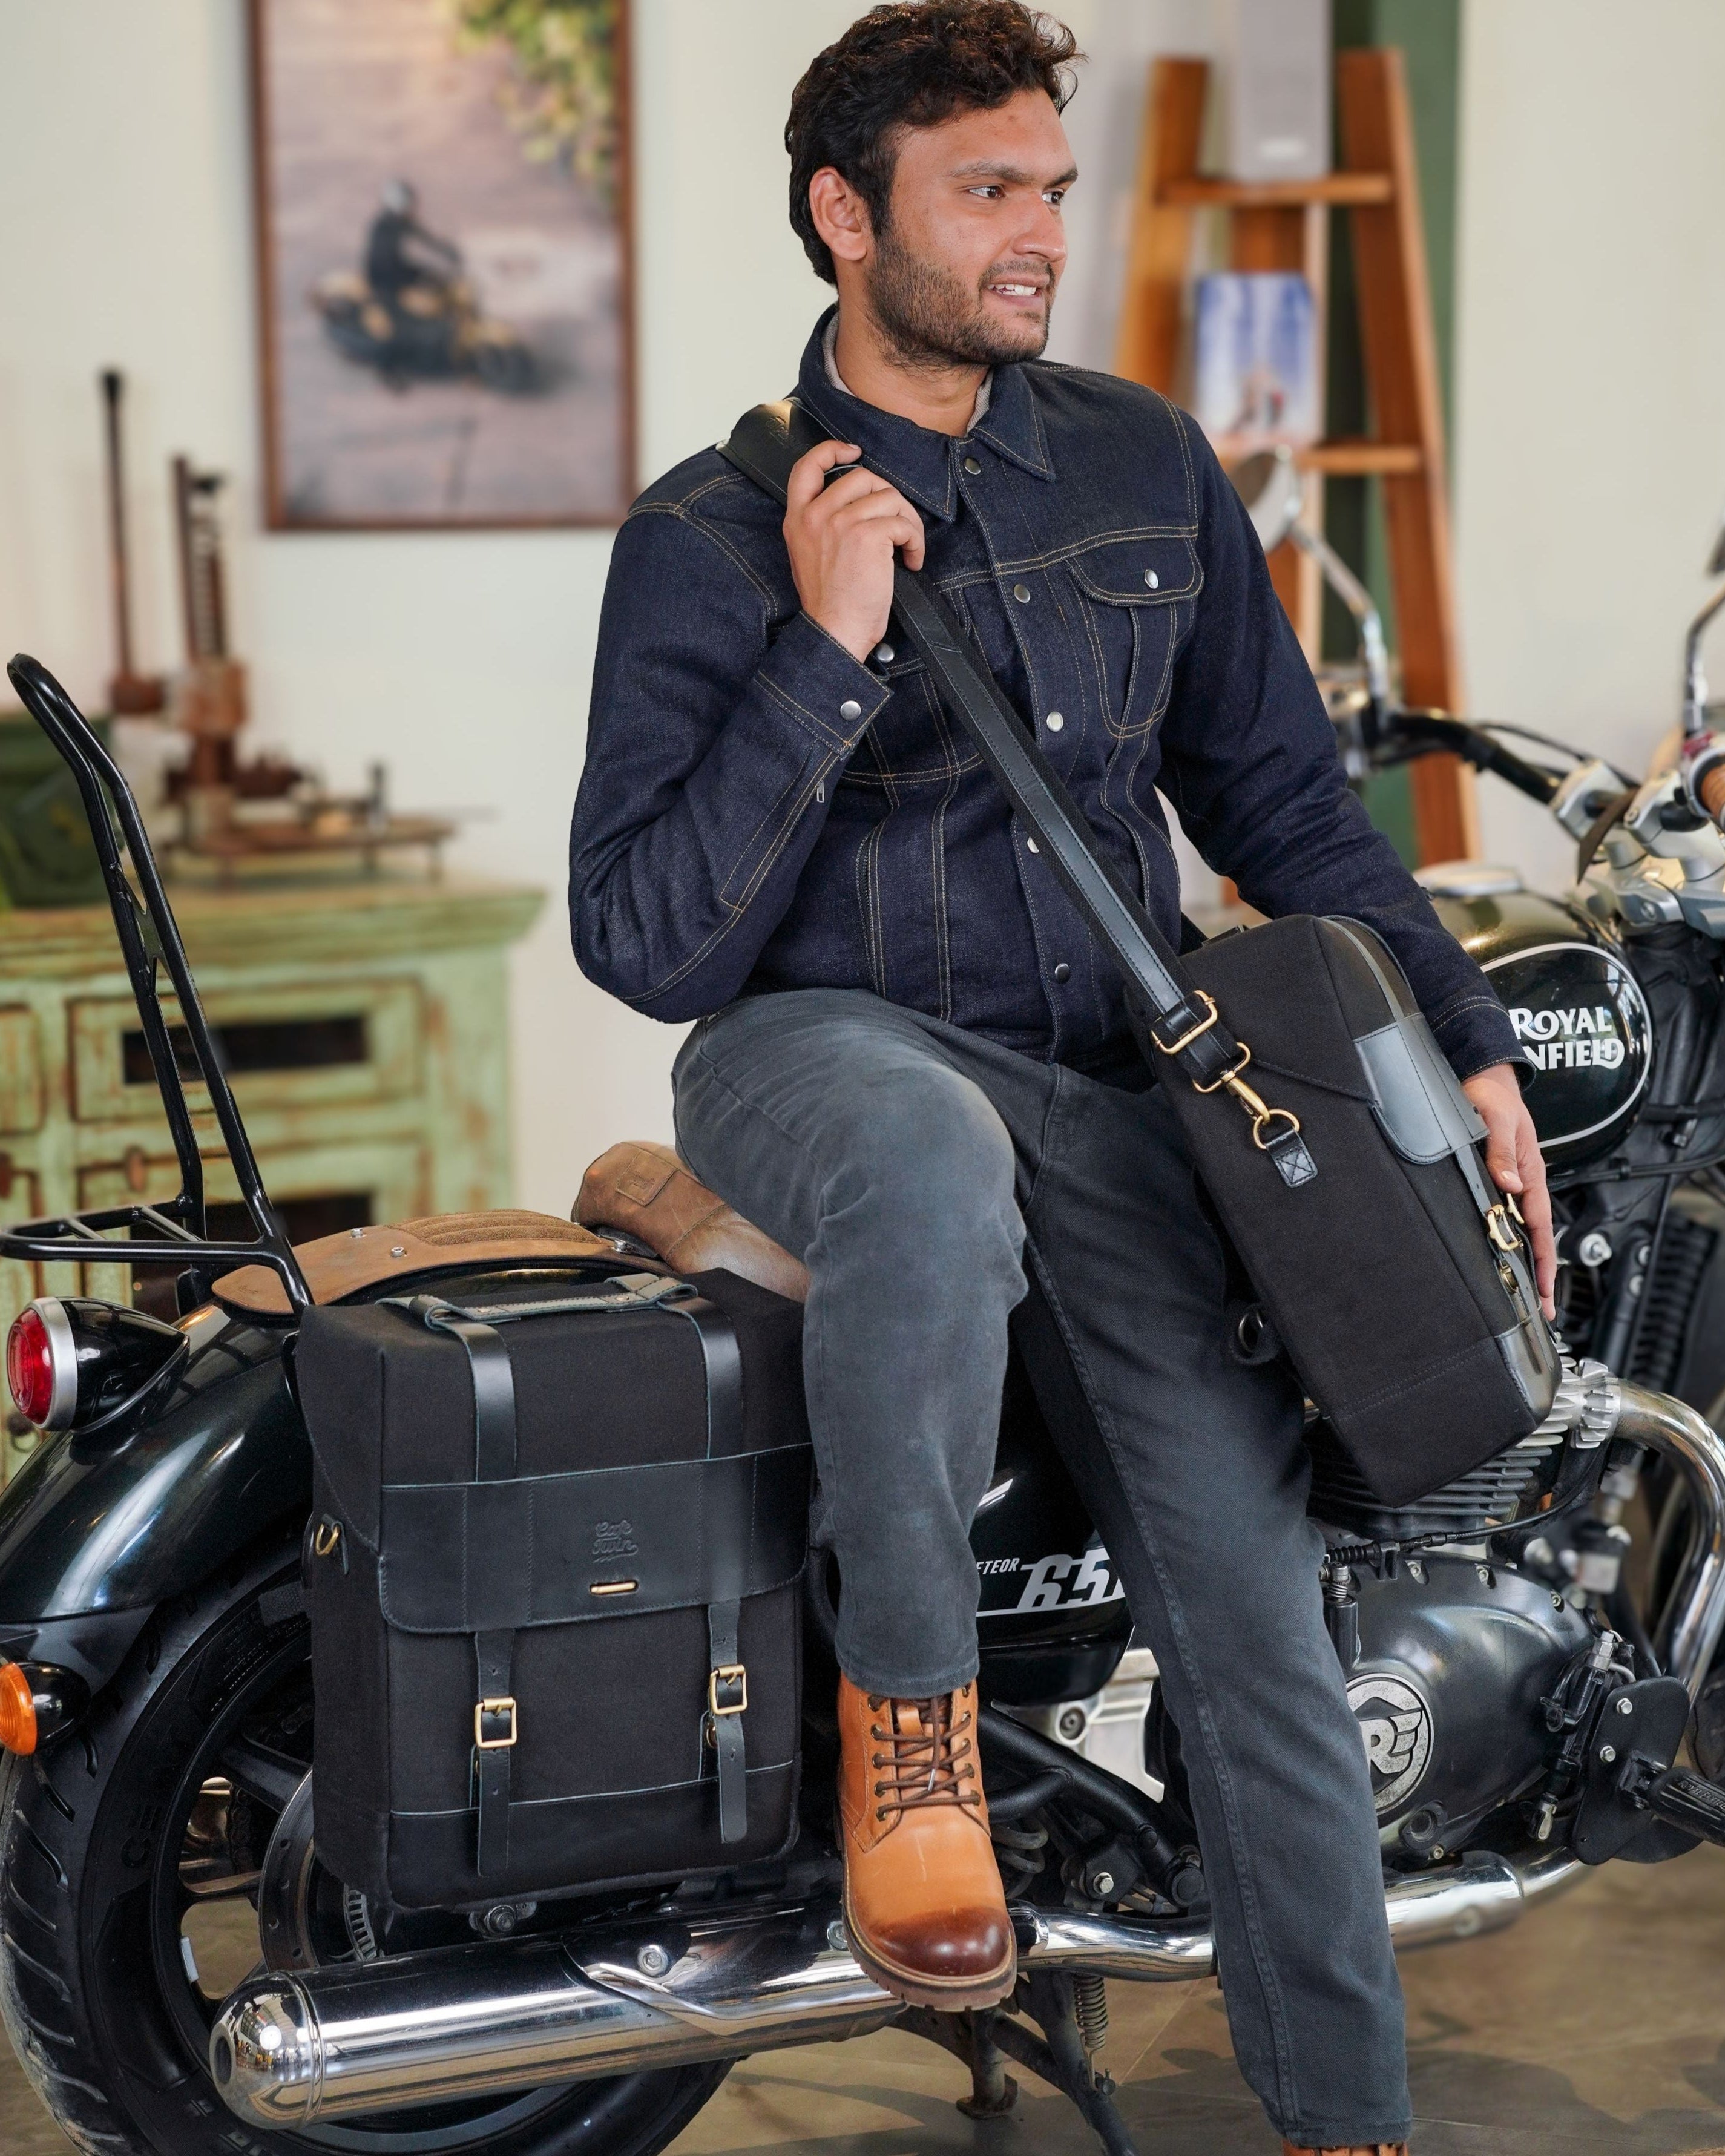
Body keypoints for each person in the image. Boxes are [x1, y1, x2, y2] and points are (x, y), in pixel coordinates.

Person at [568, 7, 1554, 2149]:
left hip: (1114, 1087)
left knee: (1256, 1608)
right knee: (925, 1149)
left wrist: (1460, 1043)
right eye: (985, 191)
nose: (1038, 234)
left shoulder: (1138, 463)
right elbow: (643, 940)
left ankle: (1346, 2117)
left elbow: (1283, 806)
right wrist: (826, 646)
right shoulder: (711, 533)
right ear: (846, 217)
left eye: (1050, 189)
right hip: (820, 1054)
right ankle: (908, 1728)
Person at [363, 180, 461, 313]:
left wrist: (445, 250)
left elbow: (423, 236)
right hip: (386, 276)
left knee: (428, 277)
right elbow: (423, 237)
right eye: (409, 203)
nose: (412, 208)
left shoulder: (390, 220)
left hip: (389, 271)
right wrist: (446, 252)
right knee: (430, 281)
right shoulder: (390, 223)